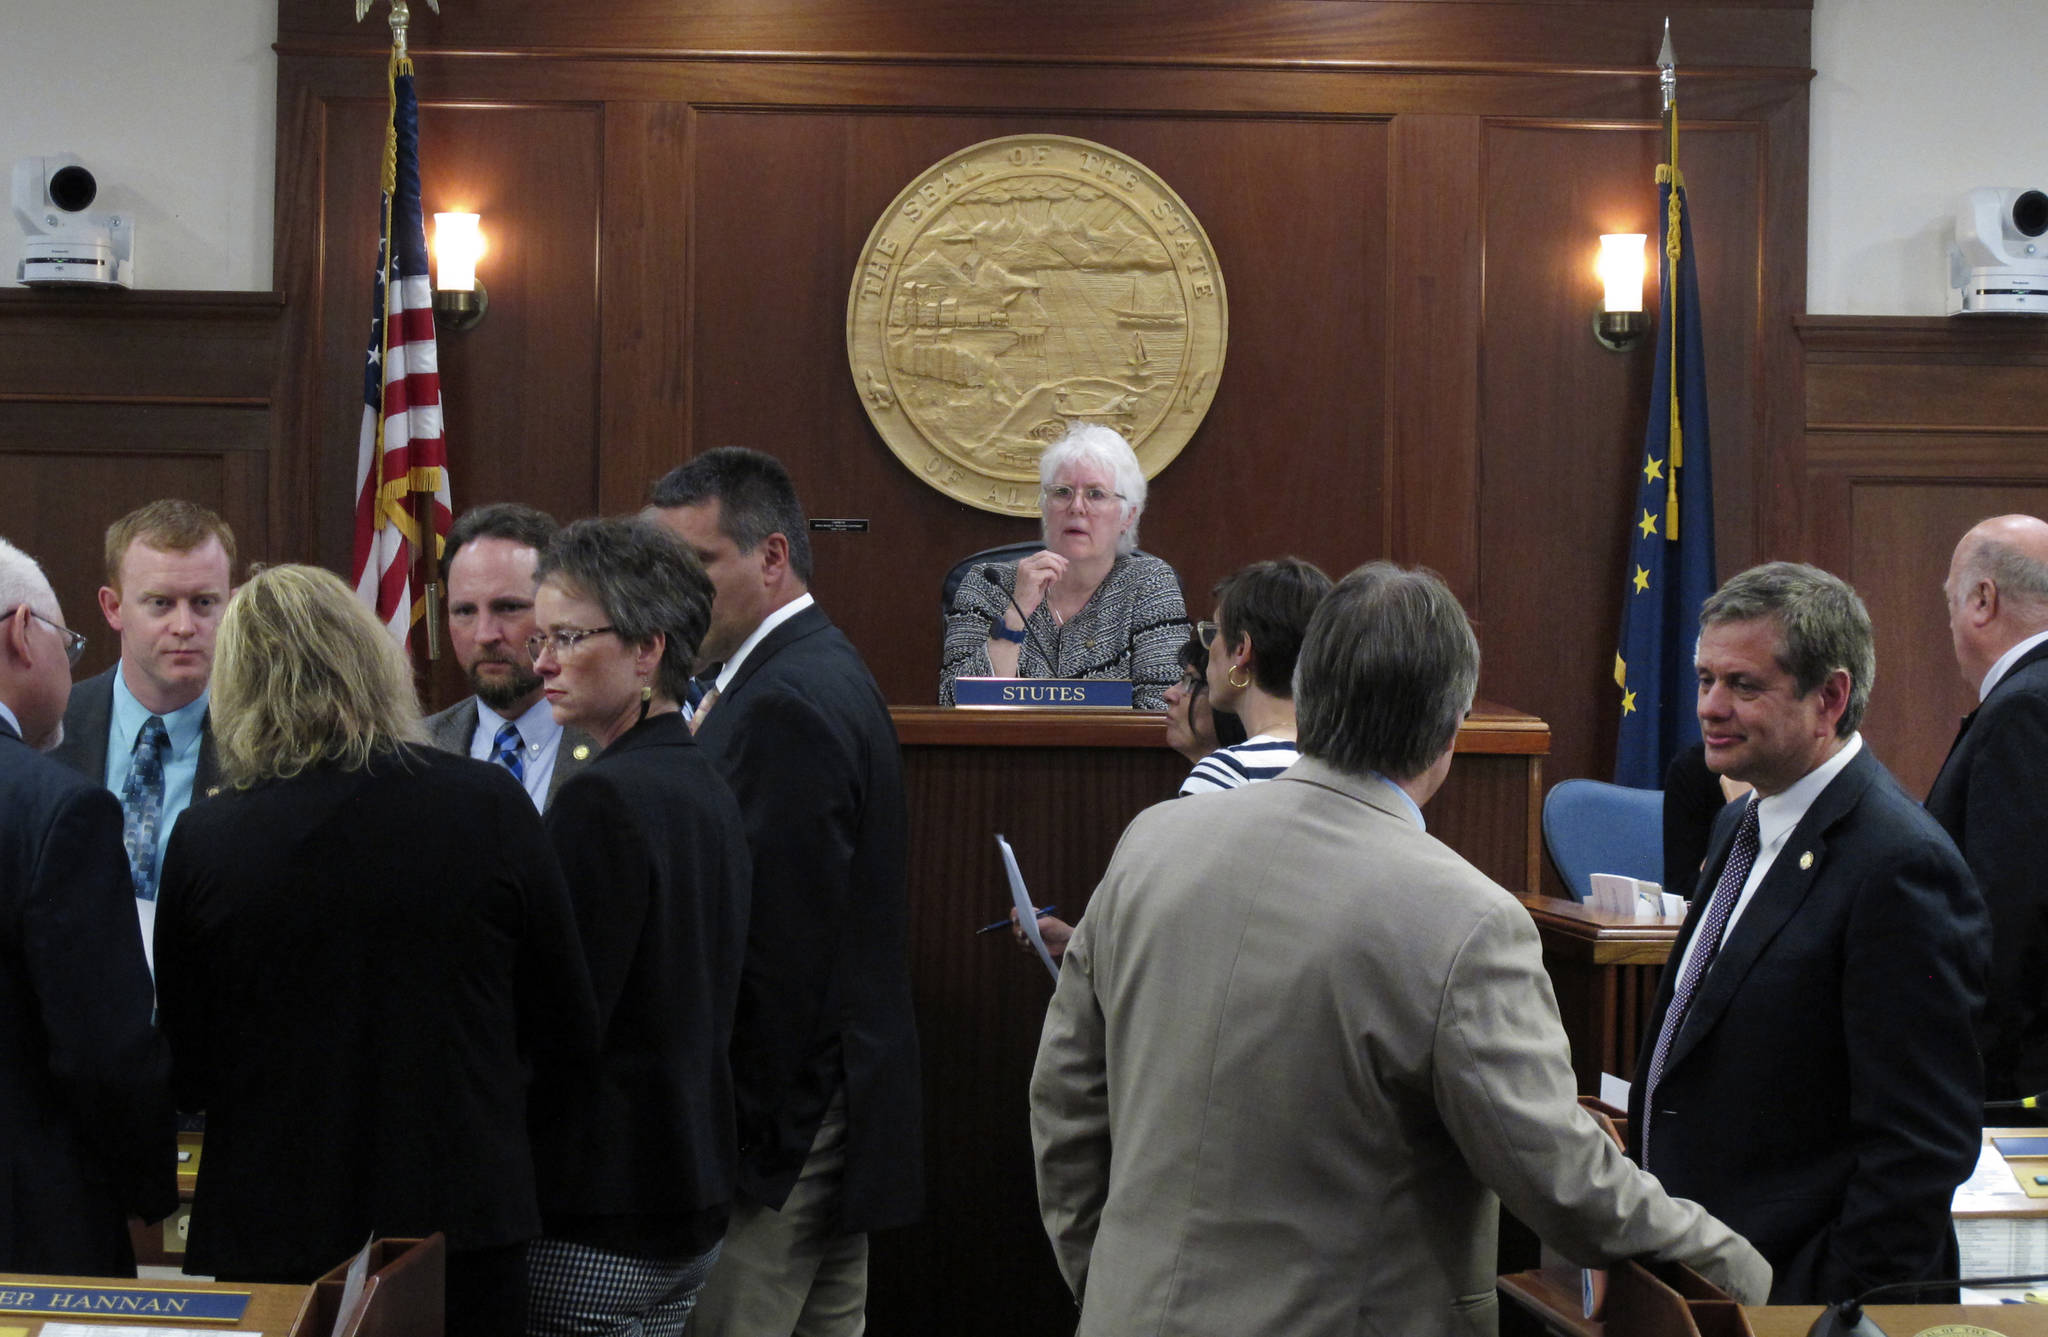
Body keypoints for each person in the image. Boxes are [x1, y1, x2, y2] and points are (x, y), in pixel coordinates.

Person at [1030, 562, 1771, 1336]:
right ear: (1453, 726)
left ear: (1308, 696)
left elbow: (1064, 1103)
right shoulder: (1467, 922)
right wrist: (1740, 1266)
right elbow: (1565, 1186)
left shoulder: (1152, 843)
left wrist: (1105, 1281)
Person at [152, 564, 597, 1337]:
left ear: (240, 685)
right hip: (461, 1222)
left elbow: (189, 1063)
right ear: (372, 659)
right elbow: (565, 1028)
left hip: (274, 1228)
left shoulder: (209, 838)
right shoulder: (487, 803)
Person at [1629, 561, 1988, 1304]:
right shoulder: (1741, 819)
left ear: (1830, 697)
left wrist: (1818, 1304)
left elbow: (1918, 1150)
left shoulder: (1900, 866)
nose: (1710, 706)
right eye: (1704, 679)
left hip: (1800, 1300)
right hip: (1700, 1278)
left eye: (1744, 685)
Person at [648, 449, 922, 1336]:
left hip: (782, 1141)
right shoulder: (811, 666)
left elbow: (778, 957)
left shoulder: (784, 702)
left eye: (695, 567)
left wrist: (737, 1155)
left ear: (771, 557)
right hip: (827, 1124)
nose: (670, 596)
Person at [522, 517, 753, 1336]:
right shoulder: (699, 778)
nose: (541, 661)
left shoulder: (603, 798)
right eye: (540, 637)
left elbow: (558, 1023)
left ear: (649, 650)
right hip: (685, 1200)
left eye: (568, 637)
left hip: (599, 1210)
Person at [0, 536, 176, 1276]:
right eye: (65, 642)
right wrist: (150, 1194)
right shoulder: (57, 810)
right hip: (30, 1241)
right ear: (18, 633)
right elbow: (104, 1050)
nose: (71, 666)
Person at [52, 500, 234, 957]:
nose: (185, 626)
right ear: (113, 608)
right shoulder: (48, 727)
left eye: (204, 603)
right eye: (160, 603)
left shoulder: (267, 741)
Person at [939, 423, 1188, 708]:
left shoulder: (1150, 584)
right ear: (1045, 508)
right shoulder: (987, 582)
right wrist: (1015, 616)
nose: (1076, 507)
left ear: (1127, 516)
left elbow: (1164, 710)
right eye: (1063, 492)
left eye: (1095, 494)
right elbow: (952, 704)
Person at [1928, 514, 2048, 1104]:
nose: (1949, 621)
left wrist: (1977, 1083)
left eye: (1951, 600)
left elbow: (2006, 918)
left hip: (2018, 1084)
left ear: (1982, 599)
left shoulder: (2024, 710)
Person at [425, 503, 596, 811]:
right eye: (464, 611)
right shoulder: (415, 749)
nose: (485, 635)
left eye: (508, 607)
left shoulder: (613, 742)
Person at [1185, 556, 1331, 794]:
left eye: (1216, 631)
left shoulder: (1226, 775)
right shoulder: (1357, 771)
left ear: (1242, 650)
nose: (1209, 647)